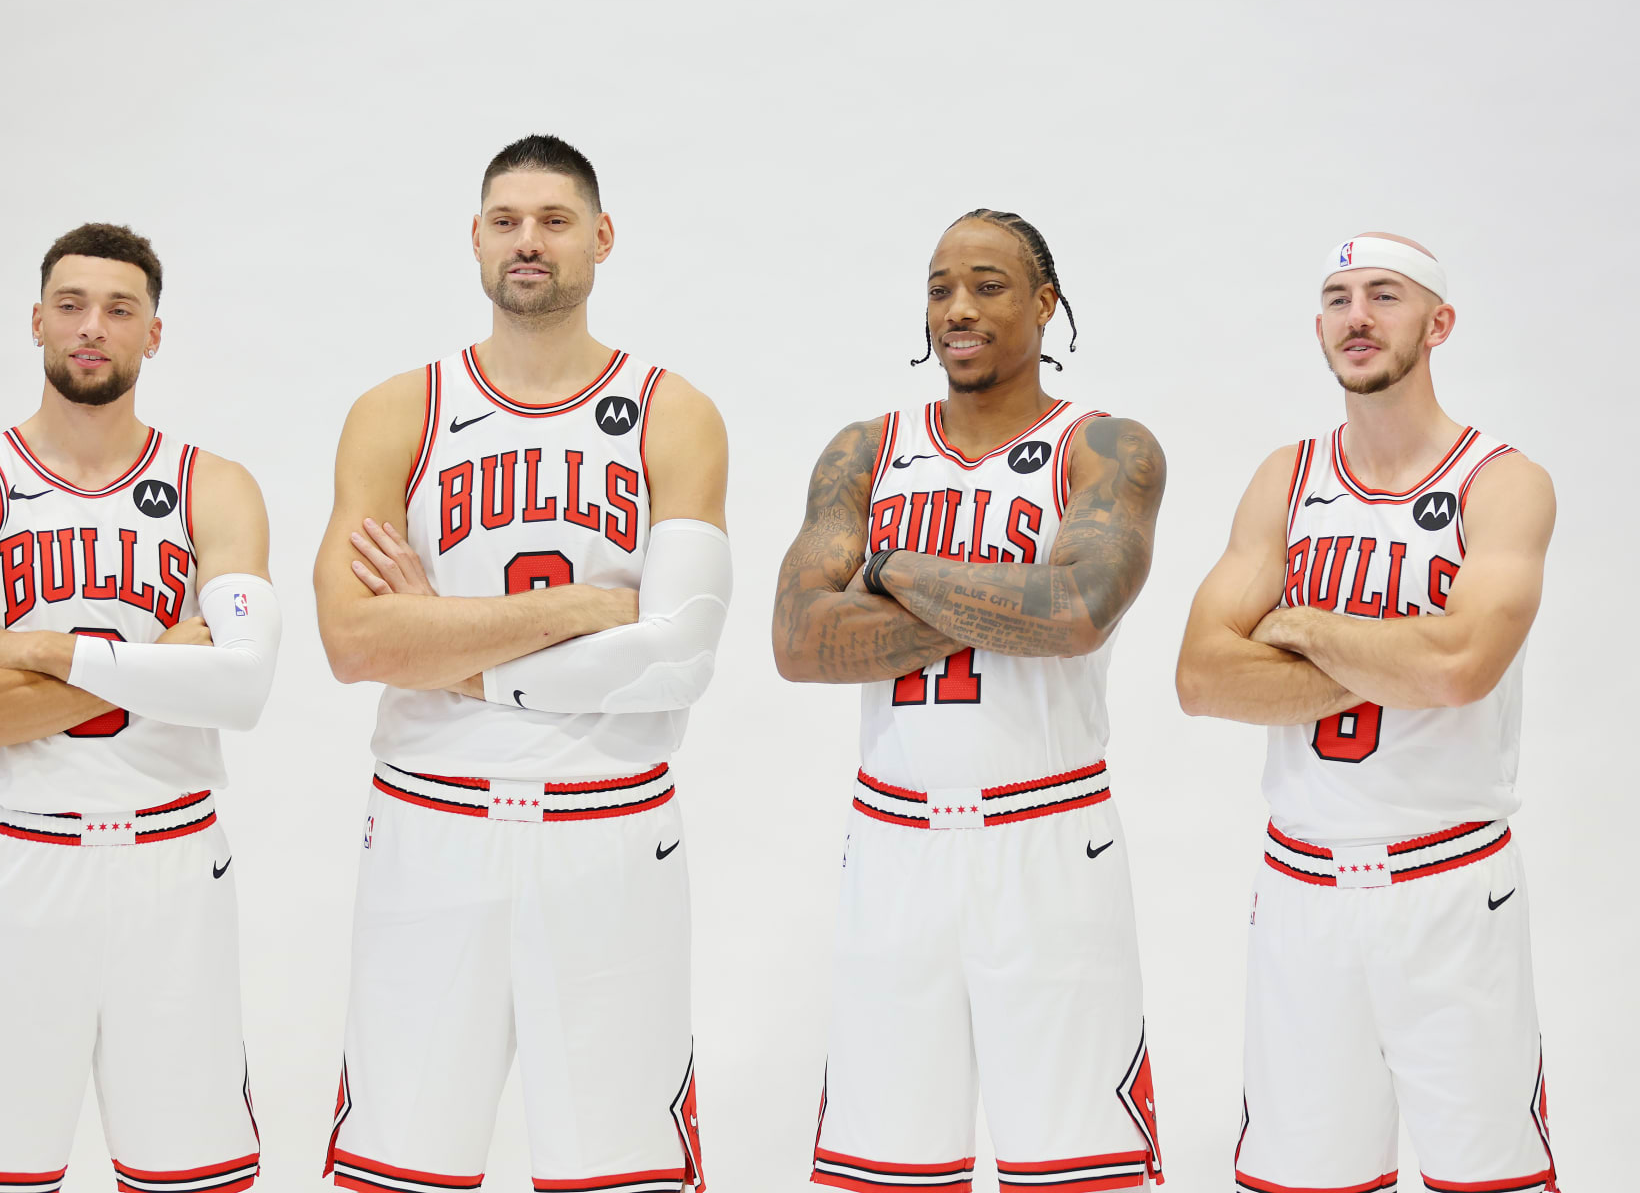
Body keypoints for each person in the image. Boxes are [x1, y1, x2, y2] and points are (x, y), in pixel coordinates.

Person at [314, 134, 730, 1193]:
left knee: (620, 1171)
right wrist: (590, 609)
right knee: (396, 1166)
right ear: (475, 240)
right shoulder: (397, 410)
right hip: (430, 824)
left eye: (553, 220)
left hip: (607, 827)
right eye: (505, 220)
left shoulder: (672, 412)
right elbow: (355, 642)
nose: (528, 241)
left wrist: (444, 639)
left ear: (601, 238)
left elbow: (679, 657)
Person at [773, 209, 1167, 1193]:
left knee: (1080, 1171)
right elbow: (798, 642)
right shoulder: (862, 450)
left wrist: (897, 567)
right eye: (940, 285)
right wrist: (1004, 594)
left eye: (988, 285)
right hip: (894, 843)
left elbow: (1077, 611)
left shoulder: (1107, 446)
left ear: (1044, 304)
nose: (958, 307)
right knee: (883, 1171)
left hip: (1050, 841)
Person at [1176, 233, 1560, 1193]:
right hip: (1302, 891)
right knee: (1303, 1180)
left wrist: (1300, 625)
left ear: (1440, 323)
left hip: (1450, 885)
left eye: (1384, 296)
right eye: (1339, 299)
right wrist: (1402, 651)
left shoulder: (1502, 481)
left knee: (1489, 1179)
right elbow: (1201, 677)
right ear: (1318, 326)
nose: (1358, 317)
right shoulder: (1288, 475)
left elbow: (1464, 664)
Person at [0, 223, 280, 1193]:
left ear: (155, 333)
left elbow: (239, 686)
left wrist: (45, 653)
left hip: (175, 862)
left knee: (192, 1175)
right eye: (70, 305)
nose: (91, 328)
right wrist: (156, 662)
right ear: (36, 320)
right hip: (21, 860)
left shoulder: (215, 488)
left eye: (119, 309)